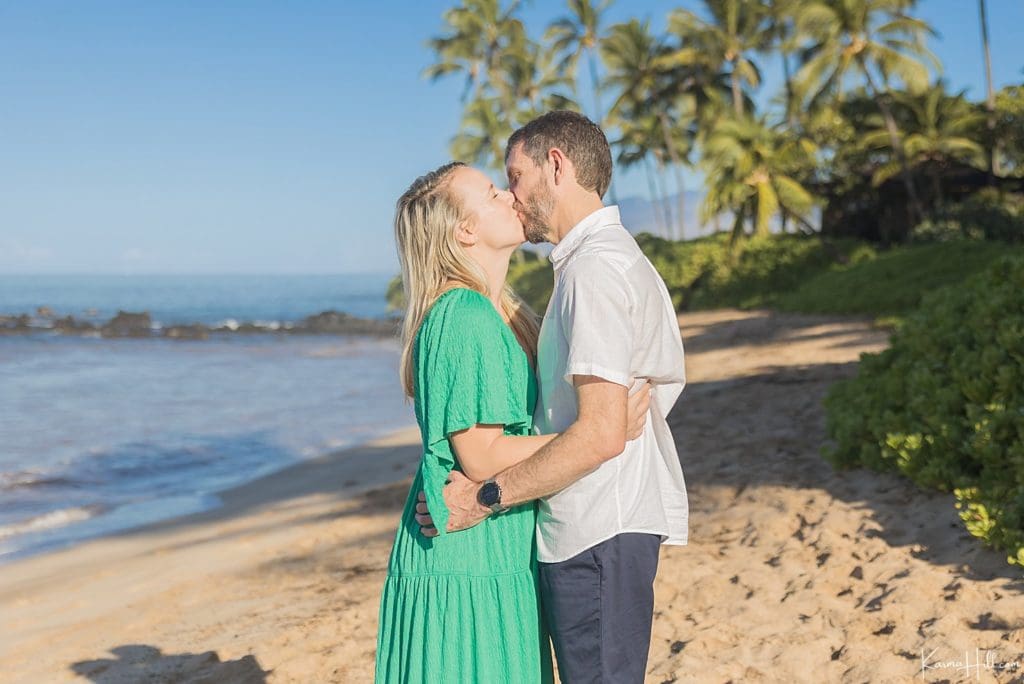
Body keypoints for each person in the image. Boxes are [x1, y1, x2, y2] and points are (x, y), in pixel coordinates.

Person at [416, 111, 688, 683]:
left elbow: (601, 433)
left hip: (598, 526)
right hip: (593, 525)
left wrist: (482, 498)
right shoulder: (594, 264)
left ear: (556, 167)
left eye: (515, 177)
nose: (512, 195)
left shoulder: (595, 270)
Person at [374, 160, 651, 683]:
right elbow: (481, 456)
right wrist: (595, 431)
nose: (509, 195)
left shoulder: (504, 312)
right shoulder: (463, 315)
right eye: (491, 193)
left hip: (496, 540)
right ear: (465, 230)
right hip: (466, 546)